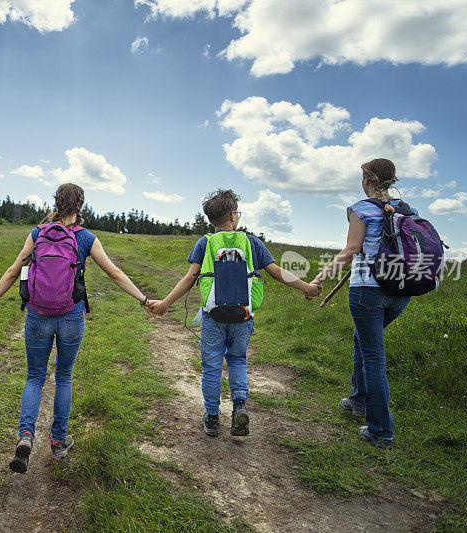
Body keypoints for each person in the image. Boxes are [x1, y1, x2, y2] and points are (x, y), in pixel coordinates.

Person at [0, 183, 155, 473]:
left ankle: (25, 437)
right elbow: (115, 273)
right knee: (64, 375)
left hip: (37, 315)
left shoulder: (38, 234)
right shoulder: (86, 238)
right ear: (81, 205)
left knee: (34, 376)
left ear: (55, 202)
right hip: (72, 317)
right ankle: (58, 442)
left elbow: (12, 271)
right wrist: (144, 300)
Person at [148, 189, 320, 437]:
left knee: (211, 366)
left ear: (212, 219)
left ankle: (212, 417)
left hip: (213, 317)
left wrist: (165, 303)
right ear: (232, 216)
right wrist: (307, 288)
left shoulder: (205, 243)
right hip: (243, 316)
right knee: (237, 359)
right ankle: (239, 405)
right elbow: (276, 271)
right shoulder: (251, 243)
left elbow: (189, 278)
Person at [311, 158, 413, 450]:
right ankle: (357, 400)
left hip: (367, 292)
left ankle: (381, 430)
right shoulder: (408, 211)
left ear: (367, 181)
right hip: (401, 293)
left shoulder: (361, 208)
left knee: (373, 357)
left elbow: (351, 250)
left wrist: (320, 278)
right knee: (364, 341)